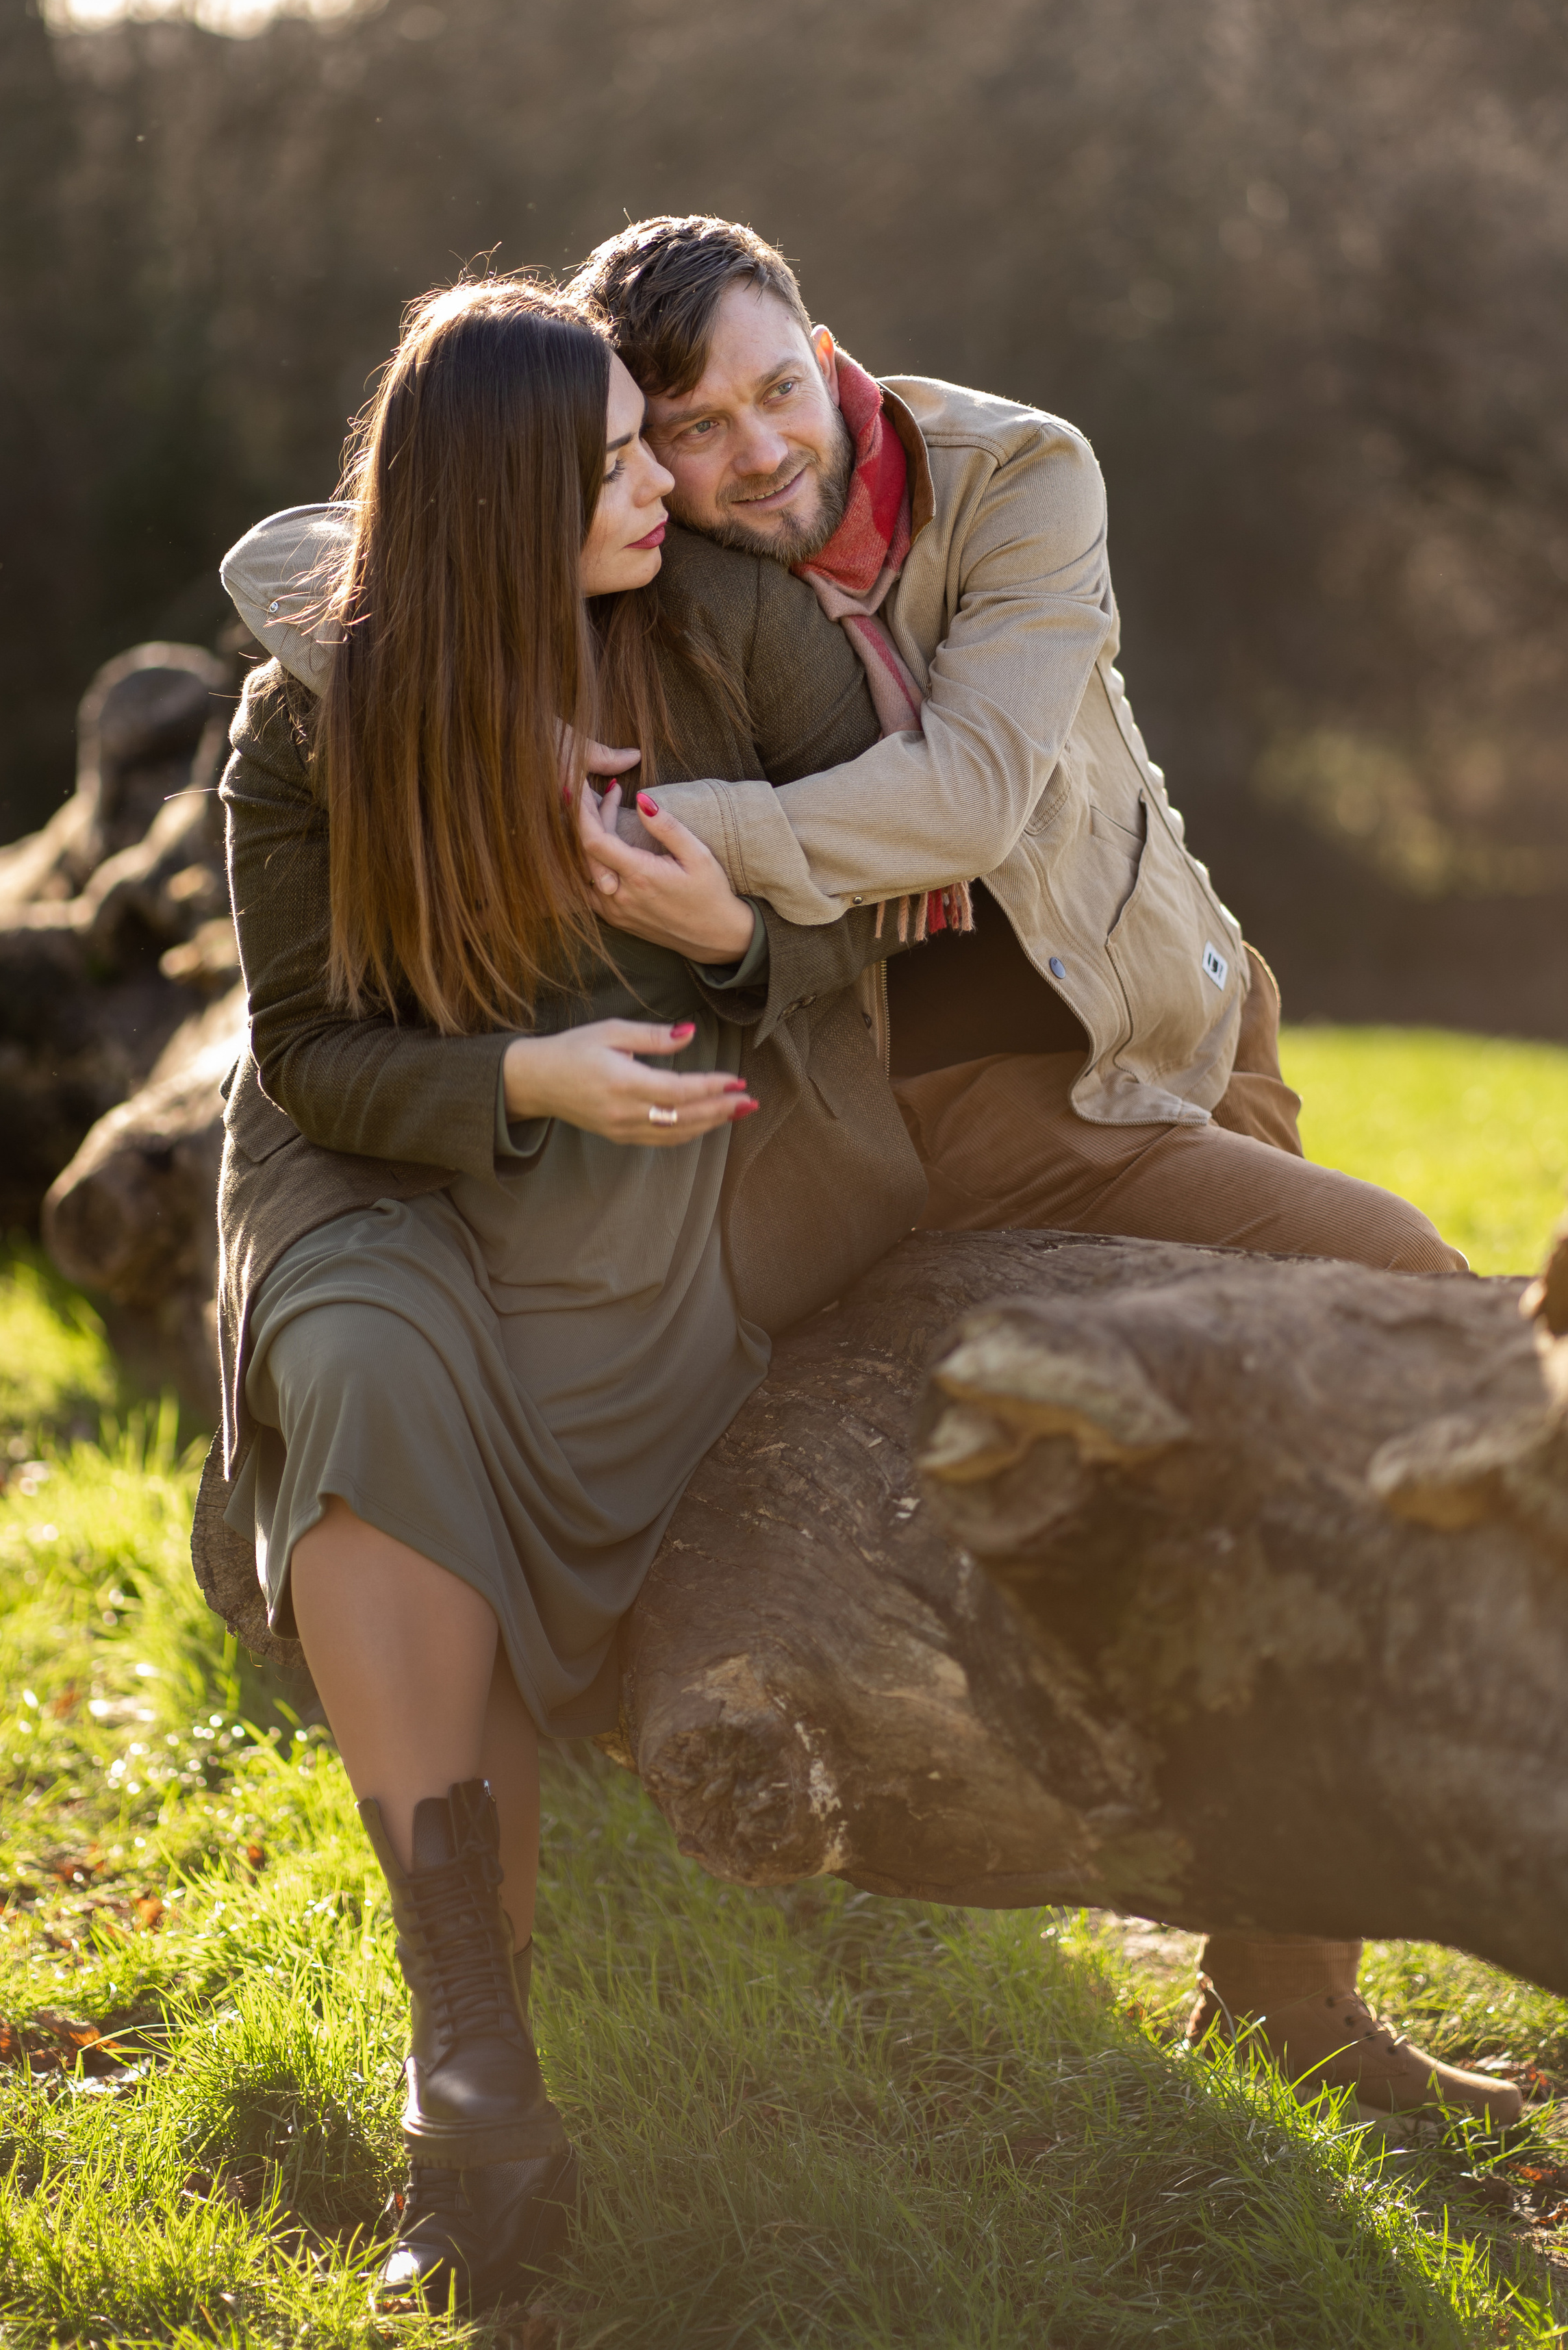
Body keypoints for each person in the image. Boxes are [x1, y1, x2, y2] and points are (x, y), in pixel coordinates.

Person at [562, 214, 1517, 2127]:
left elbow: (985, 790)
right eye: (695, 426)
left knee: (1295, 1459)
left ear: (823, 341)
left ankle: (1280, 1988)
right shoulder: (632, 552)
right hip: (971, 1097)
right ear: (631, 442)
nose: (761, 452)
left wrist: (696, 832)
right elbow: (290, 562)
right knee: (1420, 1299)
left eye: (778, 388)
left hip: (1175, 1011)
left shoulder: (1015, 472)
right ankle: (1289, 1975)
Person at [194, 275, 932, 2313]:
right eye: (613, 461)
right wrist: (520, 1073)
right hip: (386, 1172)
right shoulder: (308, 716)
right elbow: (311, 1047)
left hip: (663, 1187)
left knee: (577, 1483)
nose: (664, 487)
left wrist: (720, 947)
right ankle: (475, 2074)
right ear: (500, 498)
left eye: (653, 442)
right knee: (356, 1375)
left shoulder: (727, 634)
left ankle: (485, 2015)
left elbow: (867, 971)